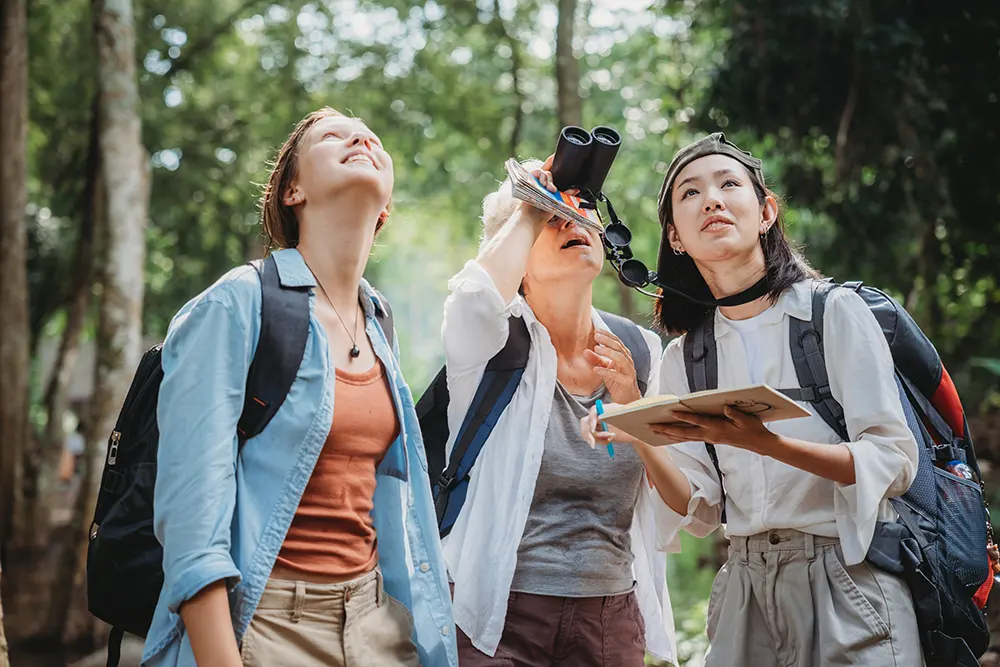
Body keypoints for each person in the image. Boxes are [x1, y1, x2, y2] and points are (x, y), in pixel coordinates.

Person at [581, 133, 924, 666]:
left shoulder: (832, 315)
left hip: (850, 579)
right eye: (690, 193)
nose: (713, 200)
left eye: (729, 185)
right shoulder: (686, 359)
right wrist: (640, 436)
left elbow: (893, 461)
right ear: (675, 236)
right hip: (744, 593)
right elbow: (698, 503)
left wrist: (765, 443)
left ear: (765, 212)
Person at [141, 107, 457, 667]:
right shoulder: (235, 304)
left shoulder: (377, 319)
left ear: (384, 208)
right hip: (264, 627)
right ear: (293, 191)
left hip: (376, 623)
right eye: (333, 135)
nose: (360, 135)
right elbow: (192, 532)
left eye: (370, 135)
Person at [441, 158, 677, 667]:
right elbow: (475, 299)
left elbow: (681, 493)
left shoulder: (641, 352)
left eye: (582, 209)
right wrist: (526, 203)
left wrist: (633, 407)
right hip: (496, 619)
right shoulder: (490, 345)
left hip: (609, 622)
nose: (573, 220)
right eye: (551, 216)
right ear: (517, 251)